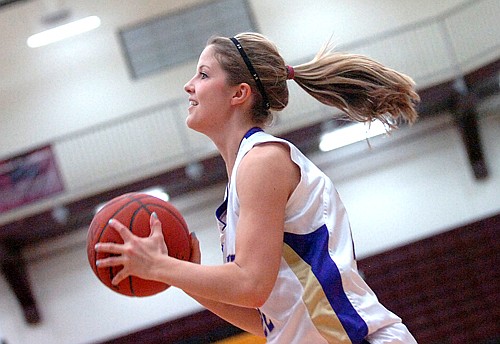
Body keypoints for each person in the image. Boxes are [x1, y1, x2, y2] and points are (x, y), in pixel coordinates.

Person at [95, 32, 420, 343]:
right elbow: (272, 321)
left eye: (204, 75)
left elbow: (251, 284)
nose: (188, 85)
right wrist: (182, 276)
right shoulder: (243, 175)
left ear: (239, 93)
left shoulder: (263, 162)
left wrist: (160, 265)